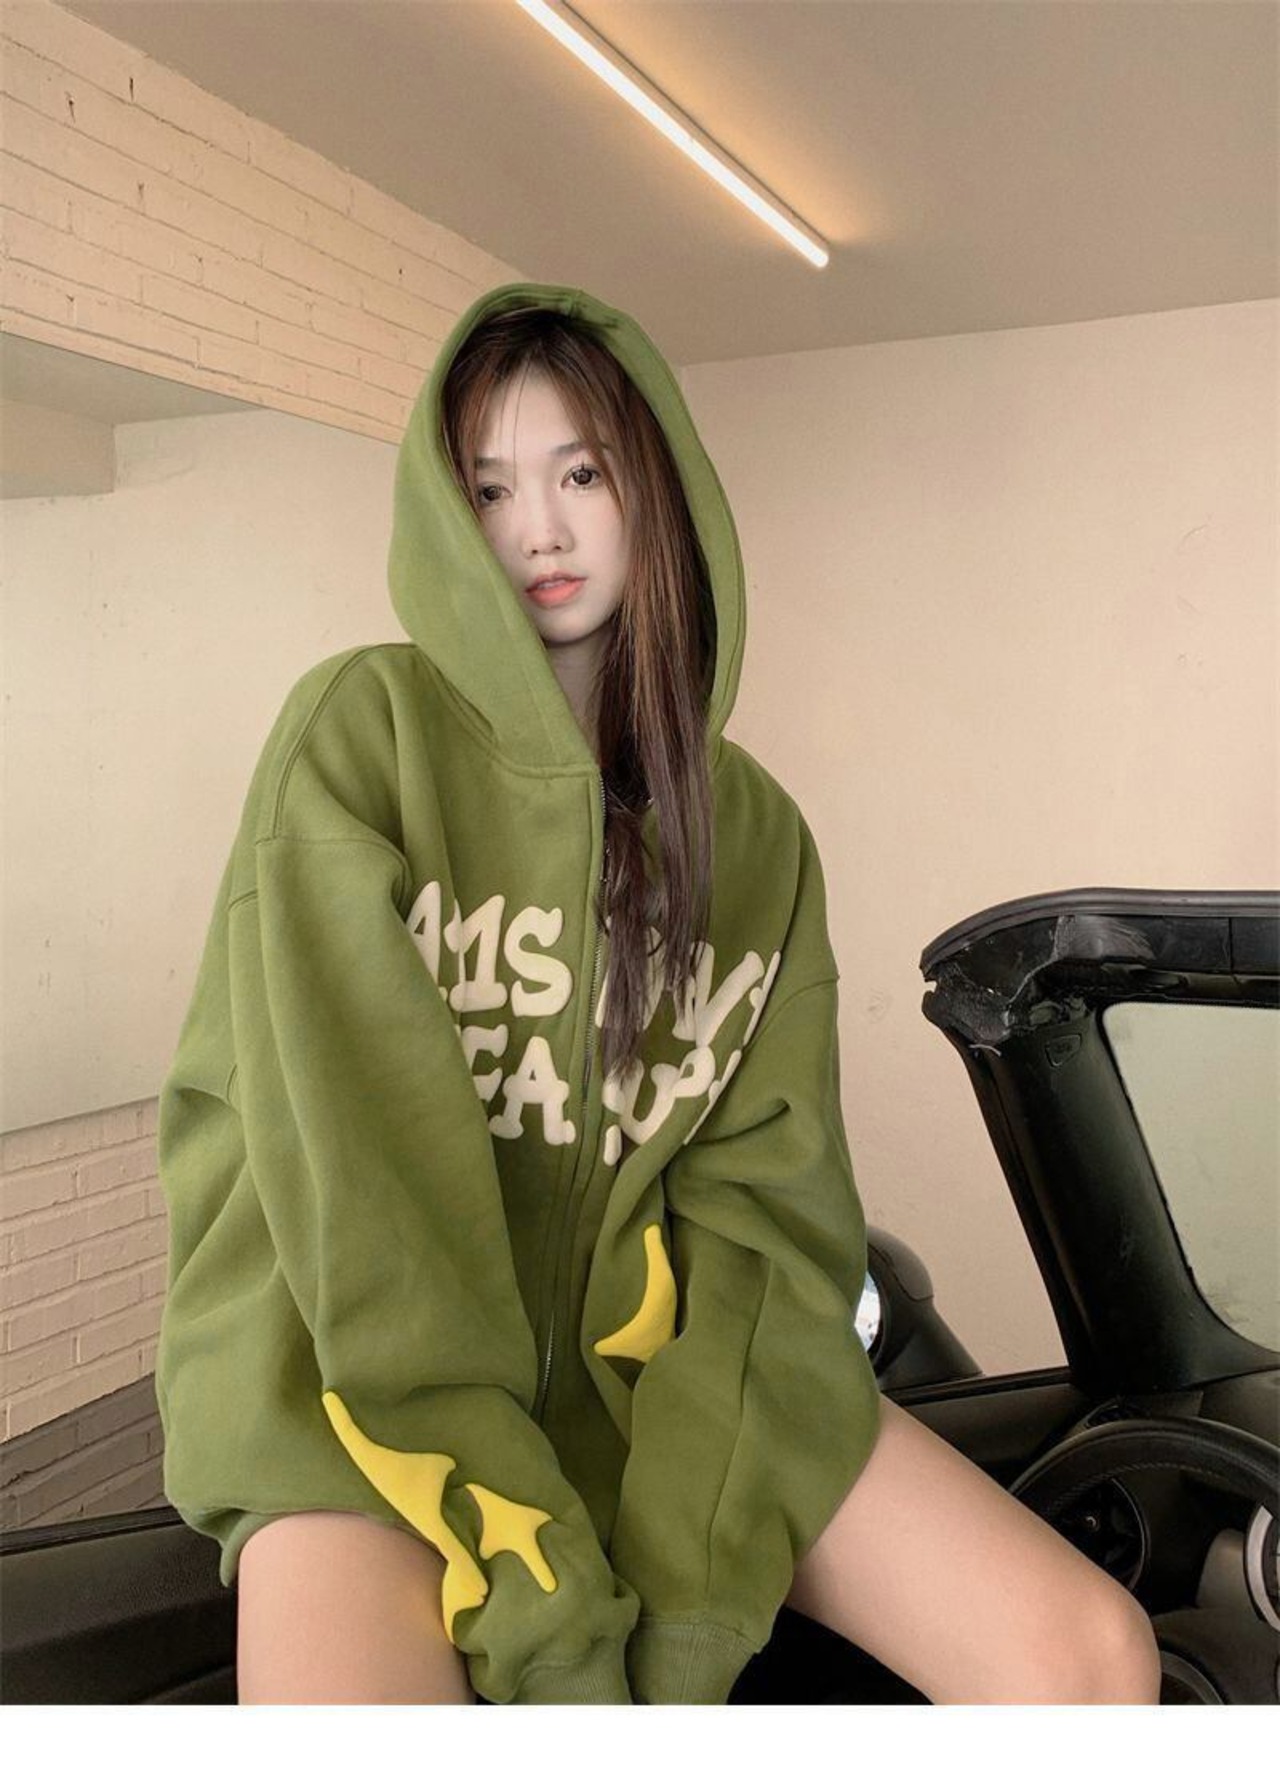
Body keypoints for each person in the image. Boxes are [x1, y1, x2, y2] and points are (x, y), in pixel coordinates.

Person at [154, 282, 1161, 1707]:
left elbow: (765, 1229)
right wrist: (548, 1605)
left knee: (1093, 1658)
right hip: (352, 1405)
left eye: (580, 475)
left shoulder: (752, 838)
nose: (541, 531)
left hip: (647, 1405)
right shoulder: (357, 741)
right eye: (490, 488)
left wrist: (688, 1608)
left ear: (652, 487)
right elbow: (360, 1201)